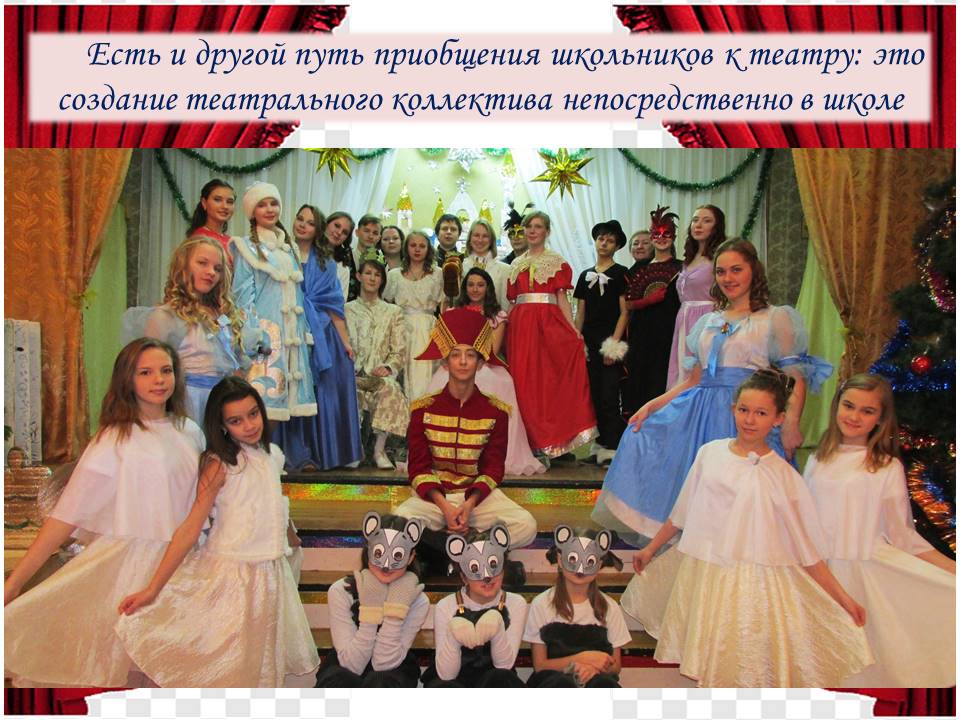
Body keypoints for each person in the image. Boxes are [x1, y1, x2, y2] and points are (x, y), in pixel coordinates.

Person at [627, 370, 873, 687]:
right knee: (711, 657)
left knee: (744, 661)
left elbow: (806, 549)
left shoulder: (785, 477)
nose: (750, 420)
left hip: (754, 586)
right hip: (709, 574)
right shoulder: (710, 453)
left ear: (778, 418)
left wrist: (843, 598)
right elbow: (682, 512)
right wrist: (650, 548)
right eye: (744, 410)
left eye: (761, 413)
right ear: (733, 409)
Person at [592, 238, 831, 545]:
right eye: (721, 271)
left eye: (736, 270)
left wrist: (792, 424)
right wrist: (652, 406)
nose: (728, 278)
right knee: (677, 472)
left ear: (754, 270)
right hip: (699, 418)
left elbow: (795, 376)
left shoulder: (774, 318)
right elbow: (693, 379)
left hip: (744, 417)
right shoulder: (708, 321)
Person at [4, 338, 206, 687]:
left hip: (188, 563)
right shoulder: (114, 438)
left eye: (165, 370)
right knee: (131, 670)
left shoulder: (190, 431)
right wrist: (15, 582)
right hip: (134, 566)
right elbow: (66, 514)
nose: (159, 380)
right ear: (128, 379)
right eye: (145, 372)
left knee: (180, 669)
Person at [115, 377, 319, 687]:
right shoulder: (220, 465)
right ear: (222, 426)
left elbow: (271, 504)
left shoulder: (272, 456)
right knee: (229, 665)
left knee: (262, 665)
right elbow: (190, 527)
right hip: (232, 577)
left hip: (269, 575)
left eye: (253, 414)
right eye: (236, 421)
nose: (249, 425)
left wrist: (289, 536)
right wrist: (153, 589)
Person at [804, 373, 955, 687]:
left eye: (867, 411)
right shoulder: (818, 458)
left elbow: (904, 536)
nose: (854, 416)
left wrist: (953, 570)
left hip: (864, 572)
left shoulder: (886, 467)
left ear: (881, 419)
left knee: (862, 665)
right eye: (849, 406)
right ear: (836, 405)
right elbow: (803, 522)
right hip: (819, 574)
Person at [394, 307, 538, 570]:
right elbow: (418, 468)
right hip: (435, 499)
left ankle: (444, 551)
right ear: (445, 362)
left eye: (470, 355)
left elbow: (493, 469)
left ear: (480, 363)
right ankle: (475, 550)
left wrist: (469, 505)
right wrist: (445, 507)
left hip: (477, 500)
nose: (462, 362)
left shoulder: (496, 412)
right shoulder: (422, 410)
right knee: (399, 520)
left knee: (526, 525)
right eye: (455, 354)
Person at [123, 236, 262, 425]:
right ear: (184, 265)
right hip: (189, 404)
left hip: (223, 404)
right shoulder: (166, 317)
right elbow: (149, 369)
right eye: (202, 263)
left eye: (217, 268)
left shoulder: (225, 315)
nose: (211, 272)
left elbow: (235, 363)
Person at [426, 268, 545, 476]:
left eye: (480, 285)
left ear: (488, 288)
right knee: (439, 380)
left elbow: (493, 350)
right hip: (457, 363)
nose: (475, 289)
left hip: (485, 363)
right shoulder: (452, 312)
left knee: (497, 382)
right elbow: (446, 345)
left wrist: (473, 360)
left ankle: (491, 453)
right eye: (471, 285)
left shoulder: (497, 316)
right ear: (465, 288)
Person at [277, 203, 362, 470]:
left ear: (318, 229)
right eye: (300, 219)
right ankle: (293, 453)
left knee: (327, 383)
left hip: (322, 331)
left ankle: (323, 453)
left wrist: (346, 343)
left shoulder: (326, 263)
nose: (303, 225)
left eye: (310, 223)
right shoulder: (281, 253)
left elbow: (334, 307)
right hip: (288, 329)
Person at [506, 211, 597, 457]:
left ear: (547, 231)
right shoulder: (515, 264)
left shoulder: (557, 262)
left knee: (546, 382)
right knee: (523, 382)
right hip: (520, 326)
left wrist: (573, 330)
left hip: (547, 324)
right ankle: (528, 442)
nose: (532, 231)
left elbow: (562, 299)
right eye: (529, 226)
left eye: (538, 226)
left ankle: (553, 441)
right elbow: (513, 301)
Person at [230, 182, 317, 434]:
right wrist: (252, 335)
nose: (269, 209)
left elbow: (298, 297)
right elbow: (242, 296)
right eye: (262, 205)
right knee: (260, 398)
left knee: (282, 403)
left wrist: (302, 333)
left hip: (291, 337)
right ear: (252, 212)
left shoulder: (288, 249)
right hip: (266, 336)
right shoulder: (246, 247)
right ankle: (251, 451)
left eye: (273, 203)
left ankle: (267, 453)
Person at [523, 526, 630, 688]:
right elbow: (540, 665)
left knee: (605, 685)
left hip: (595, 678)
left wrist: (593, 669)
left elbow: (615, 666)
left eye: (590, 561)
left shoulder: (610, 607)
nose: (580, 568)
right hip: (553, 681)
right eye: (573, 559)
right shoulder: (542, 604)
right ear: (560, 560)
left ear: (599, 564)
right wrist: (580, 660)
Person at [424, 523, 527, 688]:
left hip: (496, 679)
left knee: (501, 678)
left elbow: (504, 666)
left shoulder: (516, 603)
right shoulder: (446, 606)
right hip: (455, 678)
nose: (487, 577)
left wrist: (498, 626)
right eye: (475, 568)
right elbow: (446, 674)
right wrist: (452, 637)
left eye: (494, 566)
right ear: (463, 577)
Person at [346, 251, 409, 470]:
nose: (372, 278)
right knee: (346, 391)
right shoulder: (346, 310)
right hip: (352, 373)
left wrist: (388, 367)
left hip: (378, 374)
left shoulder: (393, 312)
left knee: (391, 389)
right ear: (358, 276)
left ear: (382, 280)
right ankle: (353, 450)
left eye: (377, 275)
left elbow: (399, 350)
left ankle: (379, 450)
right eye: (368, 273)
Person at [574, 220, 630, 465]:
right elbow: (580, 312)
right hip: (589, 341)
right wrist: (576, 340)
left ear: (617, 246)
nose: (604, 243)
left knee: (609, 395)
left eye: (610, 240)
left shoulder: (621, 273)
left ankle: (614, 446)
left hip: (610, 340)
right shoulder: (584, 275)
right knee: (593, 396)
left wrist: (613, 345)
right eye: (601, 239)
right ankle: (598, 446)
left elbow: (625, 312)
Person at [622, 206, 683, 416]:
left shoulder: (682, 267)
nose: (661, 237)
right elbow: (628, 304)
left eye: (667, 233)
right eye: (657, 233)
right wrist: (648, 300)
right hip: (641, 333)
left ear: (674, 237)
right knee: (639, 380)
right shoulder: (637, 269)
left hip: (670, 332)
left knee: (664, 379)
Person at [666, 205, 727, 387]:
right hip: (684, 318)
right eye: (695, 220)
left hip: (707, 318)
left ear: (716, 227)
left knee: (701, 371)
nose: (698, 225)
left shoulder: (720, 256)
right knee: (682, 372)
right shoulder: (690, 258)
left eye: (706, 221)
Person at [382, 230, 444, 402]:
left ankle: (423, 410)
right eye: (413, 245)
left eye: (422, 246)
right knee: (401, 373)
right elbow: (387, 304)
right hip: (402, 328)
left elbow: (444, 304)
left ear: (428, 249)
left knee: (426, 374)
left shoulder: (438, 273)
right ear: (406, 248)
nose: (417, 249)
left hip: (428, 329)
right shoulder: (394, 275)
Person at [460, 219, 510, 311]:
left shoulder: (505, 270)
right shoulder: (460, 267)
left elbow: (505, 306)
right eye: (476, 235)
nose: (480, 240)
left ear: (491, 240)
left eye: (485, 236)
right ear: (470, 239)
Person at [185, 178, 236, 262]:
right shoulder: (200, 239)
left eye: (230, 202)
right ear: (204, 203)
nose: (225, 206)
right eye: (217, 200)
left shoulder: (231, 241)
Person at [325, 211, 359, 302]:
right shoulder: (305, 248)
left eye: (345, 232)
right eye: (337, 226)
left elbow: (339, 302)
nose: (339, 232)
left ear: (346, 239)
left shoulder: (342, 268)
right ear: (326, 224)